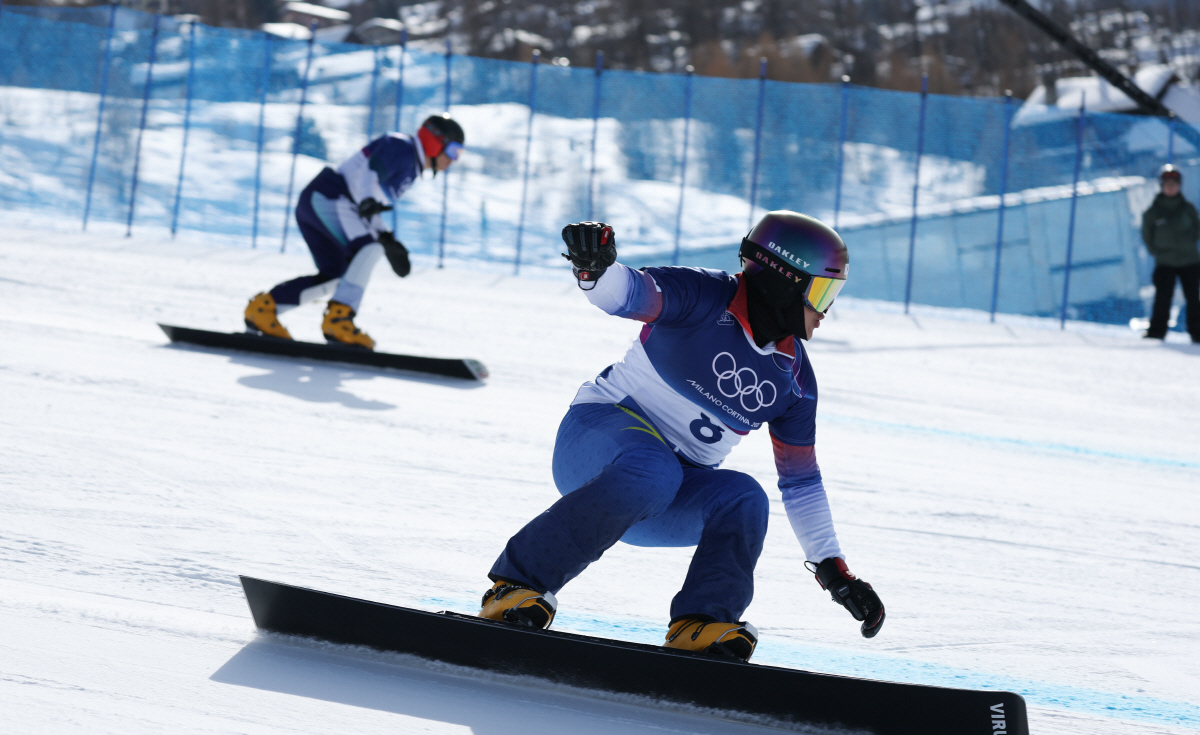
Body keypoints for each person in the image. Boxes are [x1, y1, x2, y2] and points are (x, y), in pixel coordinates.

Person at [477, 212, 885, 662]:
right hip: (594, 444)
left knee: (744, 497)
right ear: (784, 279)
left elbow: (801, 483)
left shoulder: (795, 378)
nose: (826, 311)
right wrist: (594, 267)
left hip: (660, 494)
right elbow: (625, 293)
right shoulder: (706, 295)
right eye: (822, 292)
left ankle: (702, 623)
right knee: (655, 469)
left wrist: (834, 571)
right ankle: (516, 585)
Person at [243, 114, 465, 350]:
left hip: (326, 200)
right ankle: (339, 319)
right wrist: (376, 226)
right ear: (434, 141)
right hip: (330, 197)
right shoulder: (401, 146)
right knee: (369, 249)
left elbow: (367, 204)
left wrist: (387, 237)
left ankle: (265, 309)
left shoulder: (410, 167)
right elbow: (368, 175)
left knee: (337, 274)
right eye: (453, 151)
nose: (453, 160)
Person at [1141, 164, 1200, 343]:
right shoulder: (1152, 213)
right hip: (1165, 262)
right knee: (1162, 298)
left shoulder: (1188, 209)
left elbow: (1197, 230)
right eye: (1167, 185)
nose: (1171, 188)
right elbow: (1147, 237)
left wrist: (1188, 246)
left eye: (1174, 185)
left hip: (1189, 261)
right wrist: (1159, 252)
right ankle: (1157, 332)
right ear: (1162, 186)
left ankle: (1197, 333)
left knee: (1194, 298)